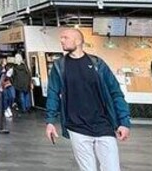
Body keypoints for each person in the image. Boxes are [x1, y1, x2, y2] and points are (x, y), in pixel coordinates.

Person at [45, 28, 131, 171]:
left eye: (65, 38)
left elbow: (115, 92)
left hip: (104, 125)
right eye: (61, 38)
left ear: (78, 41)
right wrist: (50, 122)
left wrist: (124, 122)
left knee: (112, 168)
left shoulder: (98, 64)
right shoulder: (59, 66)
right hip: (77, 127)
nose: (61, 41)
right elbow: (53, 93)